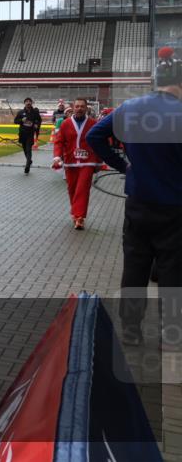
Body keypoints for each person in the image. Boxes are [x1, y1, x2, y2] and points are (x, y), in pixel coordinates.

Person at [87, 47, 182, 346]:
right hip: (175, 207)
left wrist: (124, 167)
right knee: (173, 273)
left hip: (138, 202)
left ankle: (130, 331)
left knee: (135, 268)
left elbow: (95, 136)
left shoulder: (131, 107)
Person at [51, 97, 101, 230]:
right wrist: (57, 157)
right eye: (77, 106)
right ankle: (75, 213)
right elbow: (59, 141)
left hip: (88, 162)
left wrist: (99, 162)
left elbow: (99, 143)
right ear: (73, 108)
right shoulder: (66, 124)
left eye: (82, 106)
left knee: (82, 189)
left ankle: (79, 217)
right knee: (72, 189)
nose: (79, 108)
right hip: (70, 162)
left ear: (86, 108)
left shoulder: (93, 123)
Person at [13, 97, 43, 174]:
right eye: (27, 101)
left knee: (28, 149)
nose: (28, 102)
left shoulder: (35, 112)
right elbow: (15, 121)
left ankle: (27, 167)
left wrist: (36, 124)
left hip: (30, 133)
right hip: (22, 133)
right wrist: (21, 121)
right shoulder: (21, 112)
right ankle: (29, 161)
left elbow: (39, 120)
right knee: (24, 149)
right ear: (24, 103)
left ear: (31, 103)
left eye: (29, 101)